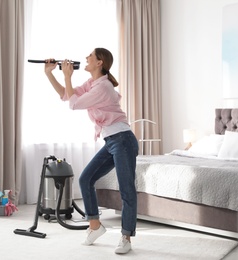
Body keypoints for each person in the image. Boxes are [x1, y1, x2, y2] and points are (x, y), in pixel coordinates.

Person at [44, 48, 139, 254]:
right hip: (111, 141)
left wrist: (67, 75)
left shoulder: (103, 87)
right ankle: (95, 226)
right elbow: (66, 95)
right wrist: (50, 73)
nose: (86, 58)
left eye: (90, 56)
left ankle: (126, 237)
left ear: (99, 62)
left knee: (126, 190)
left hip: (123, 140)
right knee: (85, 179)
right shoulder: (92, 84)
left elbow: (74, 104)